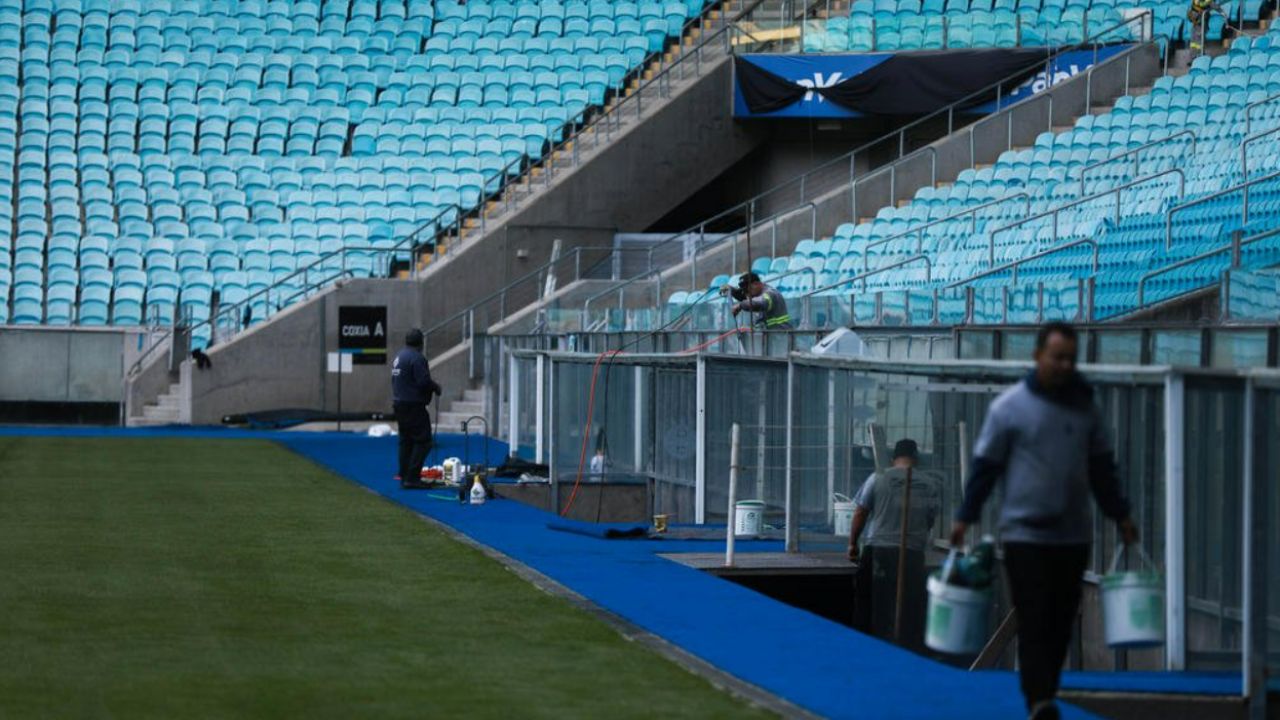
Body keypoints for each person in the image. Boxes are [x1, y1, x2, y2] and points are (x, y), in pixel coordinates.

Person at [948, 322, 1138, 720]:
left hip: (1072, 534)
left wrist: (1120, 514)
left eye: (1071, 358)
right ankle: (1040, 700)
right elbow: (986, 467)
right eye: (1057, 357)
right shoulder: (1010, 408)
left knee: (1060, 619)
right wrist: (966, 515)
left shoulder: (1085, 407)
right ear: (1038, 357)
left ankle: (1045, 690)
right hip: (1024, 533)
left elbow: (1103, 469)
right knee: (1034, 615)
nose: (1065, 365)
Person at [846, 438, 941, 650]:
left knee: (869, 601)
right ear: (916, 459)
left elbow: (861, 512)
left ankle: (863, 646)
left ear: (892, 458)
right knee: (909, 603)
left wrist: (852, 544)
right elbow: (930, 519)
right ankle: (907, 648)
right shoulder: (930, 484)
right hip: (912, 552)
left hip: (878, 549)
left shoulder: (878, 478)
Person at [392, 328, 442, 490]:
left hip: (399, 403)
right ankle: (412, 477)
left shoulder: (399, 356)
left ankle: (404, 474)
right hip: (413, 405)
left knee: (406, 441)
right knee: (424, 441)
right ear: (421, 343)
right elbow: (423, 381)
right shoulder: (417, 358)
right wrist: (435, 387)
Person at [721, 272, 792, 330]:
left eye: (748, 289)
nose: (747, 293)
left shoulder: (770, 294)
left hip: (781, 338)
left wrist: (740, 305)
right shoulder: (756, 293)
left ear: (756, 284)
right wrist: (732, 290)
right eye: (744, 291)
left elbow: (758, 303)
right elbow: (744, 298)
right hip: (771, 339)